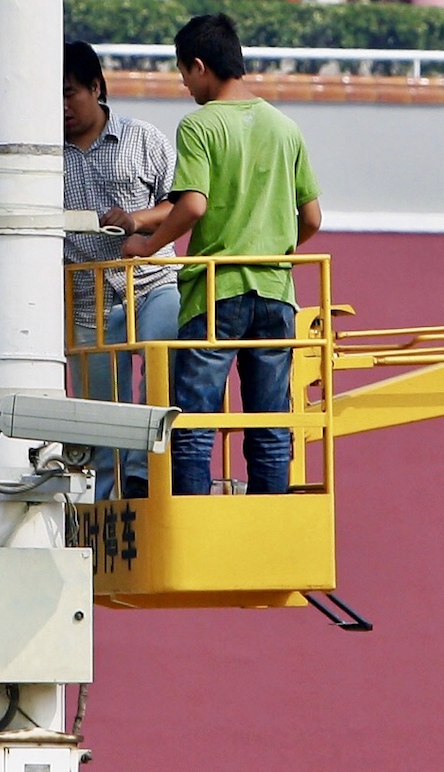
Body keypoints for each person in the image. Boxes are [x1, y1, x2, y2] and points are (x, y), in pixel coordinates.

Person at [122, 14, 323, 495]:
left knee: (195, 423)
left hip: (216, 292)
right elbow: (312, 218)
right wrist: (273, 246)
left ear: (199, 66)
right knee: (271, 423)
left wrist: (147, 246)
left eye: (183, 73)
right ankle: (268, 520)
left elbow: (192, 205)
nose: (184, 83)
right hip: (276, 291)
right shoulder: (285, 127)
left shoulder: (199, 126)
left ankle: (194, 526)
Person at [63, 40, 180, 500]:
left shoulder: (144, 138)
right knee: (99, 414)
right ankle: (106, 505)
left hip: (151, 282)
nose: (63, 107)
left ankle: (142, 479)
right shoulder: (43, 157)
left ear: (96, 88)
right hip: (88, 298)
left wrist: (136, 221)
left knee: (160, 365)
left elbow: (179, 203)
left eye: (69, 93)